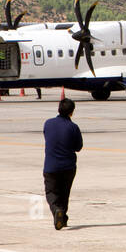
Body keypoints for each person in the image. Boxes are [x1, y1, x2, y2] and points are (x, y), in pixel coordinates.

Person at [42, 97, 84, 229]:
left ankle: (57, 211)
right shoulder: (73, 127)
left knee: (51, 192)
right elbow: (78, 147)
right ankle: (62, 218)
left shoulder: (48, 123)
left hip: (51, 165)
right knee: (64, 193)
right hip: (68, 166)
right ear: (72, 112)